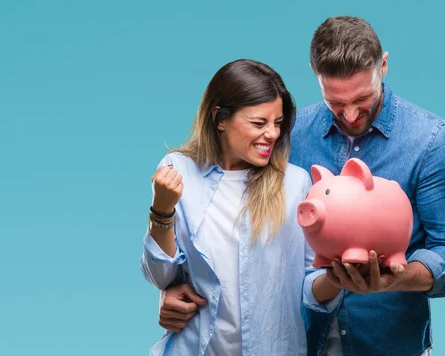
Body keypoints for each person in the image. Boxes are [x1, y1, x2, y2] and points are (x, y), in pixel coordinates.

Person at [157, 16, 445, 356]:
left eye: (362, 98)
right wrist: (176, 287)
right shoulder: (287, 134)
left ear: (383, 65)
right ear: (314, 74)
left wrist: (399, 277)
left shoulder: (430, 140)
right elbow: (231, 223)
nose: (350, 114)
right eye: (335, 102)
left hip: (388, 343)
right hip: (303, 342)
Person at [140, 59, 346, 356]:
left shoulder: (296, 185)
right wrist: (162, 210)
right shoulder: (178, 171)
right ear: (220, 119)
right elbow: (162, 277)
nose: (272, 134)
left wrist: (335, 279)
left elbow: (310, 286)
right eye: (259, 123)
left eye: (277, 123)